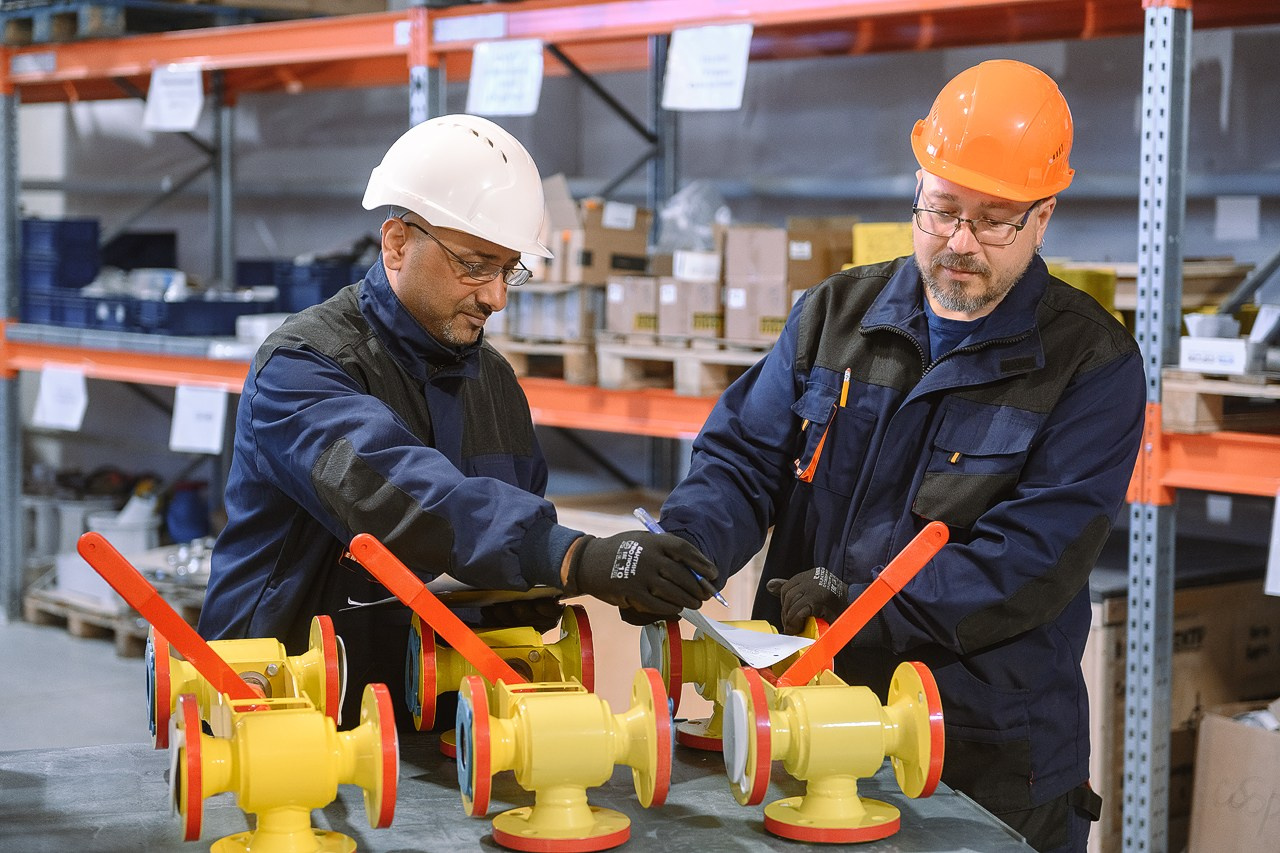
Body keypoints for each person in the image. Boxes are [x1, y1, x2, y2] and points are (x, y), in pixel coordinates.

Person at [655, 61, 1144, 853]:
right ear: (917, 188)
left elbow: (1029, 559)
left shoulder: (1090, 364)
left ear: (1044, 215)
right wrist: (687, 548)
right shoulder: (835, 315)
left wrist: (862, 600)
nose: (958, 242)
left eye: (993, 221)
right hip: (800, 723)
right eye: (942, 208)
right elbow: (744, 459)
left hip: (979, 758)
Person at [198, 114, 718, 724]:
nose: (496, 296)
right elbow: (403, 500)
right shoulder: (301, 368)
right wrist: (573, 558)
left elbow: (501, 549)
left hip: (436, 705)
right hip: (286, 699)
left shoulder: (493, 382)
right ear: (396, 243)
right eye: (476, 265)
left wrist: (548, 589)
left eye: (509, 270)